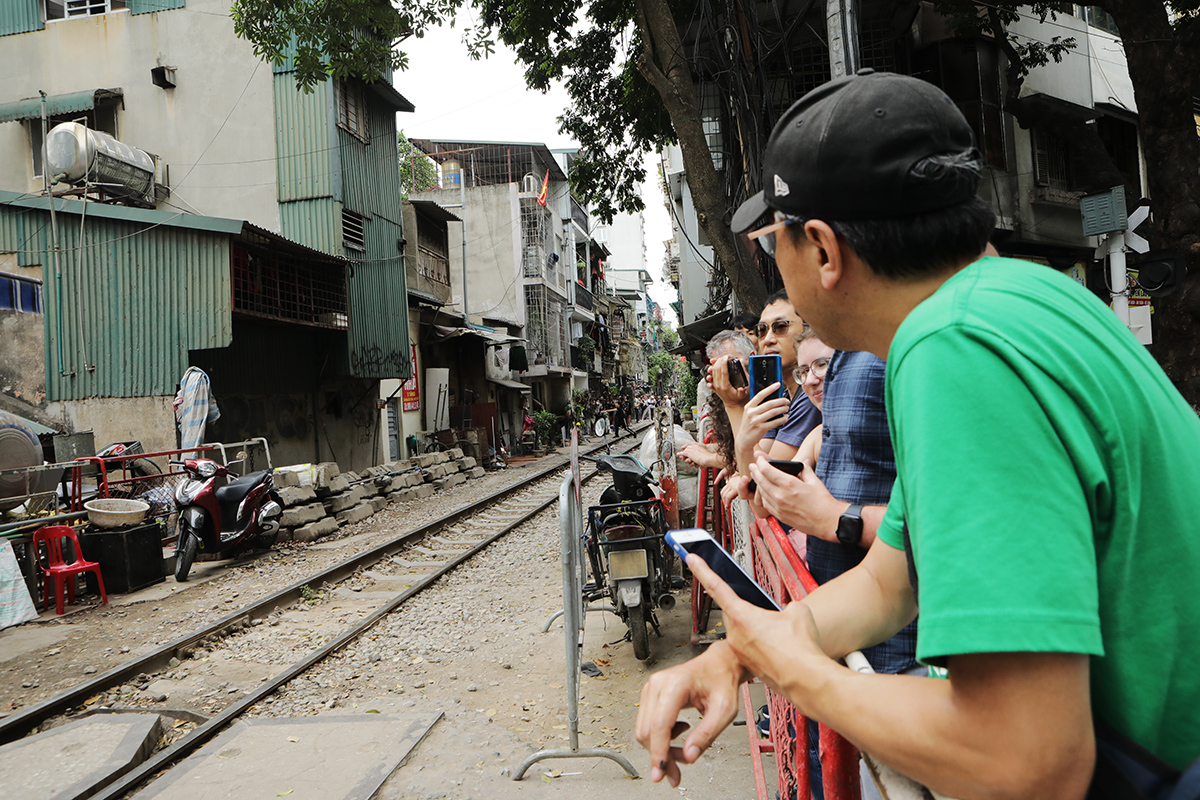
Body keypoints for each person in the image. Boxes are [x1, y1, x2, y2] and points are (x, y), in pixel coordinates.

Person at [635, 70, 1200, 799]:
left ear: (824, 251)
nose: (773, 264)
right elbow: (887, 580)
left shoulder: (954, 348)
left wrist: (796, 672)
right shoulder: (1029, 296)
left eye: (772, 241)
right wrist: (748, 651)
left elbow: (1029, 760)